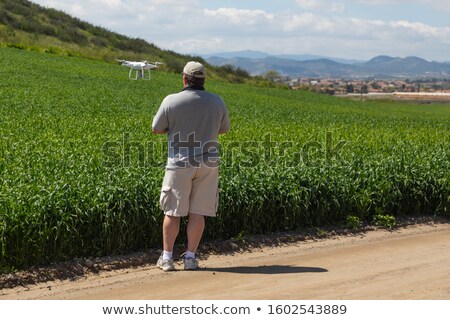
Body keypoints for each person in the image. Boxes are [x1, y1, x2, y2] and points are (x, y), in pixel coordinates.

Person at [152, 61, 230, 271]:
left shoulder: (171, 100)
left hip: (180, 162)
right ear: (203, 80)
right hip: (208, 162)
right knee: (198, 212)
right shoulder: (217, 101)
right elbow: (224, 130)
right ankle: (190, 258)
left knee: (173, 211)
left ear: (184, 79)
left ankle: (167, 258)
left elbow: (156, 129)